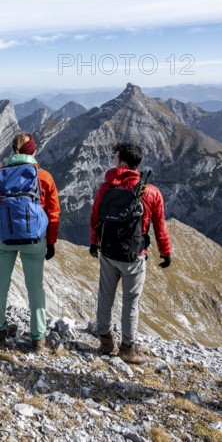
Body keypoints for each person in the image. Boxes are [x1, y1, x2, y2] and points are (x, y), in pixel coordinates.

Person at [89, 142, 172, 364]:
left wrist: (93, 243)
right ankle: (127, 348)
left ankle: (106, 342)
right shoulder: (151, 192)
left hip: (108, 252)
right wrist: (166, 252)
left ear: (123, 163)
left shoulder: (106, 188)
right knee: (130, 301)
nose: (113, 162)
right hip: (134, 256)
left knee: (105, 296)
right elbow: (159, 225)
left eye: (115, 158)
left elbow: (95, 217)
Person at [0, 132, 60, 351]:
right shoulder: (43, 176)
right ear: (33, 152)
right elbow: (53, 213)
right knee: (35, 287)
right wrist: (52, 241)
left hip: (2, 238)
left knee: (0, 283)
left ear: (12, 151)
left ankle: (0, 331)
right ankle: (38, 338)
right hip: (34, 239)